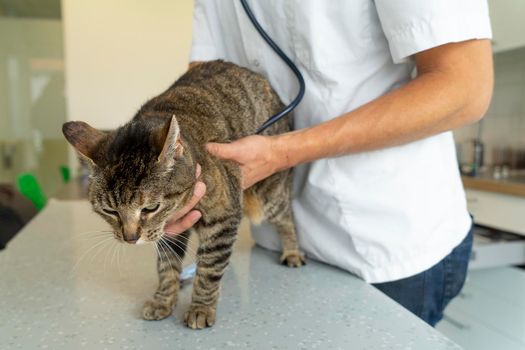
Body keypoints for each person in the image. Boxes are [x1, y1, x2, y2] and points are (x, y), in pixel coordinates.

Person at [165, 0, 494, 326]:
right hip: (274, 244)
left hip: (384, 243)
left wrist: (281, 152)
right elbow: (206, 80)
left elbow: (465, 88)